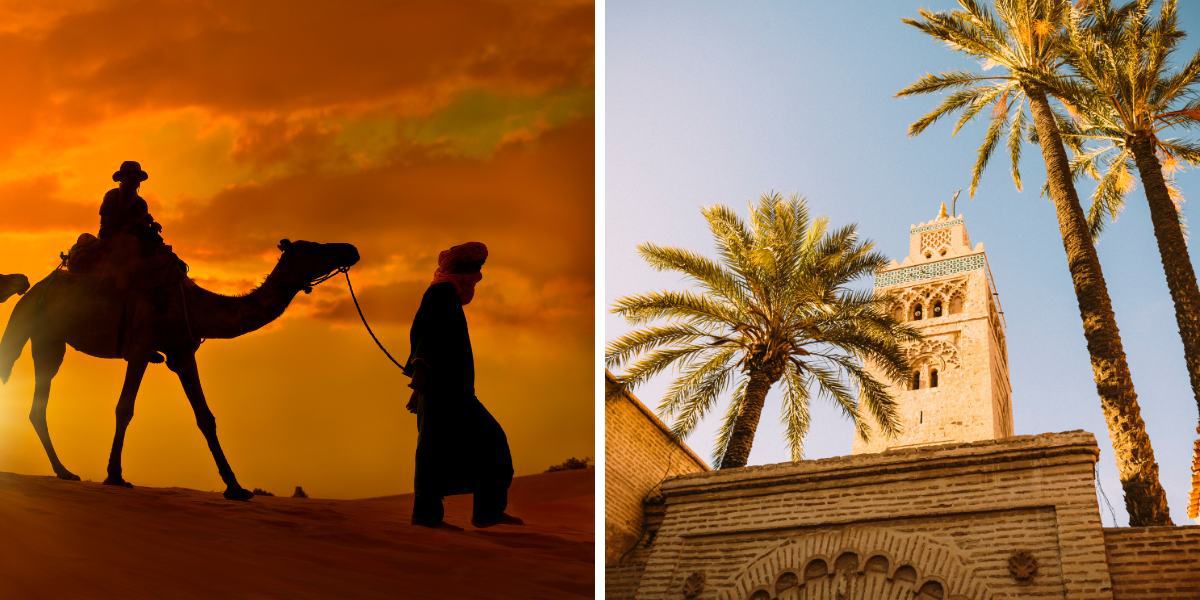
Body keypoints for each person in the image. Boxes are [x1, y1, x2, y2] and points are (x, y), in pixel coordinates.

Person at [404, 242, 522, 529]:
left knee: (446, 447)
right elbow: (425, 335)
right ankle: (431, 516)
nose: (477, 277)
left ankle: (485, 511)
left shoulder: (446, 296)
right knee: (474, 443)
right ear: (462, 272)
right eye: (473, 270)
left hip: (450, 389)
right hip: (444, 390)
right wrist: (420, 378)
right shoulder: (441, 295)